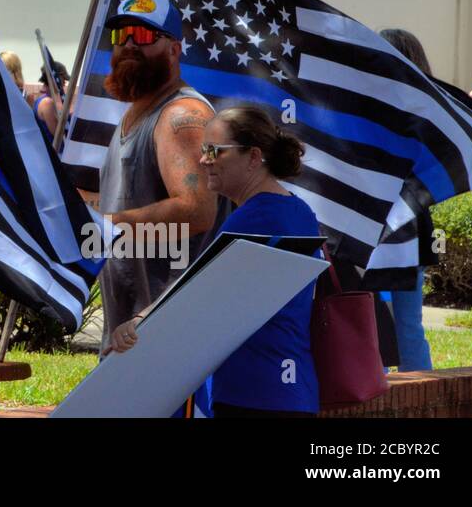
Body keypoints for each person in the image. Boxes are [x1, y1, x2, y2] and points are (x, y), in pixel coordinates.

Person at [106, 106, 322, 417]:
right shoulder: (300, 211)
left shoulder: (251, 217)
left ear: (253, 157)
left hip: (252, 393)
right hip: (294, 388)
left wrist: (138, 323)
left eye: (214, 150)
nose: (203, 159)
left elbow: (195, 292)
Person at [93, 0, 226, 414]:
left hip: (168, 335)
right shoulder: (135, 116)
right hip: (133, 333)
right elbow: (128, 197)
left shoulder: (180, 115)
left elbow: (196, 209)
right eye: (122, 33)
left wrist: (108, 224)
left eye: (145, 35)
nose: (129, 43)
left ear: (174, 48)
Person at [377, 28, 438, 372]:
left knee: (376, 321)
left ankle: (379, 395)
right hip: (414, 226)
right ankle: (423, 396)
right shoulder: (431, 110)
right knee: (408, 326)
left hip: (380, 225)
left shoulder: (376, 109)